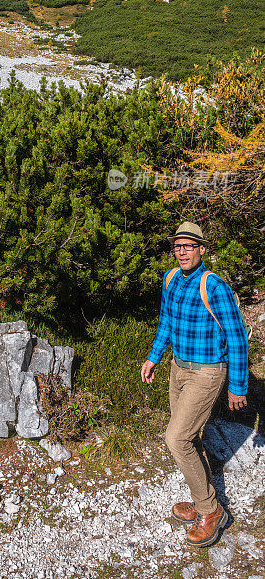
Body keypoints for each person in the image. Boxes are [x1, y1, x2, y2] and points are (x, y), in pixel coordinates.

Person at [141, 221, 248, 548]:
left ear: (202, 249)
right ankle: (203, 499)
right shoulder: (171, 278)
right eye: (178, 246)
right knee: (188, 438)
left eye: (189, 245)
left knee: (176, 438)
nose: (182, 251)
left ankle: (210, 511)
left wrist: (238, 386)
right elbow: (166, 323)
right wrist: (154, 356)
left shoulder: (214, 286)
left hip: (207, 373)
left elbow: (238, 338)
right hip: (178, 369)